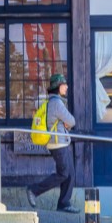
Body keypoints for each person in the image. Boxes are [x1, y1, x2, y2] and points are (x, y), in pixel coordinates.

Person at [27, 74, 78, 213]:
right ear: (59, 87)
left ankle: (64, 203)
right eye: (65, 84)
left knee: (70, 174)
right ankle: (34, 190)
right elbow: (72, 121)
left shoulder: (52, 102)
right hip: (58, 144)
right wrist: (67, 123)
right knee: (63, 174)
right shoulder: (56, 103)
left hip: (61, 143)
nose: (67, 87)